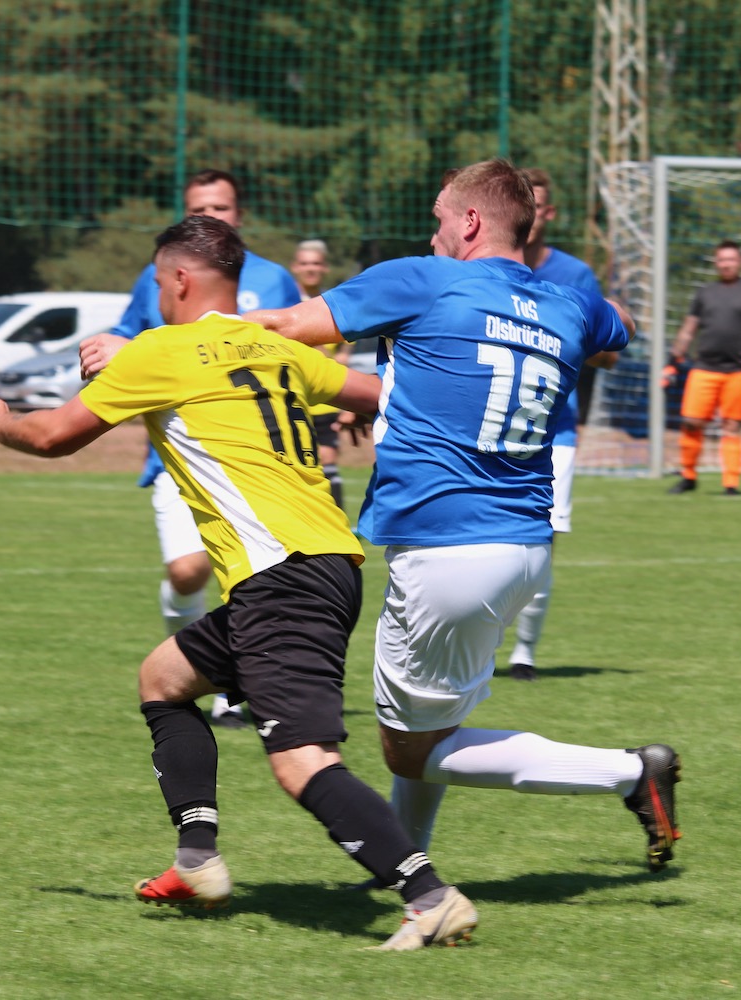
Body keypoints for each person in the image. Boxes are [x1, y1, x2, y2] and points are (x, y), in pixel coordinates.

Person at [0, 215, 478, 951]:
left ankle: (429, 896)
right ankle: (197, 859)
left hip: (282, 578)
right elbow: (377, 393)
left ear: (178, 279)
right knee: (163, 679)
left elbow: (52, 435)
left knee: (302, 764)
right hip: (326, 562)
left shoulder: (158, 352)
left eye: (157, 282)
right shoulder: (277, 347)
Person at [246, 159, 682, 875]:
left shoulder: (424, 279)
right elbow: (622, 325)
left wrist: (152, 350)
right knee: (432, 726)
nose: (433, 233)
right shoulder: (569, 303)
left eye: (441, 217)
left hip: (447, 547)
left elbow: (286, 326)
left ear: (471, 221)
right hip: (522, 548)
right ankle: (405, 866)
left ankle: (631, 773)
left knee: (409, 750)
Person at [80, 169, 302, 729]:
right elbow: (130, 340)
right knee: (186, 571)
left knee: (249, 572)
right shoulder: (156, 276)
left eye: (220, 208)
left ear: (239, 214)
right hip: (180, 455)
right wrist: (113, 351)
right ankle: (191, 663)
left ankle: (231, 691)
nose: (211, 217)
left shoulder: (273, 280)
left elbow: (296, 349)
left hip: (256, 460)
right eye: (199, 209)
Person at [504, 169, 619, 682]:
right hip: (483, 425)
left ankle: (524, 652)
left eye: (539, 205)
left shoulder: (574, 274)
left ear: (548, 214)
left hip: (555, 431)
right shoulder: (479, 268)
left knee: (541, 541)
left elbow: (609, 354)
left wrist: (559, 338)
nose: (531, 213)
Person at [664, 239, 741, 495]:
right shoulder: (705, 293)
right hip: (705, 367)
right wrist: (672, 361)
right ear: (716, 262)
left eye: (731, 259)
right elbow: (688, 329)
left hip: (739, 370)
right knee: (691, 421)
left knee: (732, 425)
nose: (726, 264)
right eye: (722, 259)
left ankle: (731, 484)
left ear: (740, 262)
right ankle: (688, 476)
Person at [290, 239, 349, 509]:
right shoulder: (284, 303)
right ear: (295, 267)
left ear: (325, 268)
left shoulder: (334, 305)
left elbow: (344, 352)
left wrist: (338, 354)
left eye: (315, 263)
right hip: (291, 397)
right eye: (304, 263)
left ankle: (338, 523)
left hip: (325, 400)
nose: (310, 269)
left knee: (327, 460)